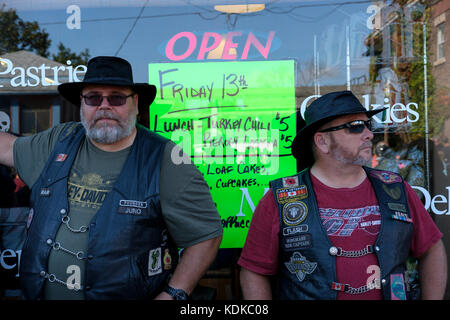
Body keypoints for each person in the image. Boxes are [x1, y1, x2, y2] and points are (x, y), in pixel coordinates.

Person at [0, 56, 223, 300]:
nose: (104, 105)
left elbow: (205, 236)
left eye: (116, 97)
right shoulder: (61, 139)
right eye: (93, 97)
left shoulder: (167, 159)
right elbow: (8, 149)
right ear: (82, 105)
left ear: (135, 104)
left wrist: (172, 294)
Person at [238, 90, 447, 300]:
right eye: (355, 127)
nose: (369, 134)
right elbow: (254, 271)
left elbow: (431, 249)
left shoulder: (395, 188)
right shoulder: (281, 198)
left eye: (368, 125)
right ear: (322, 142)